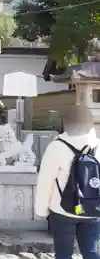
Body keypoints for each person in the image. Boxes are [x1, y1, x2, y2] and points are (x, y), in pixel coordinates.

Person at [36, 104, 100, 259]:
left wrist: (41, 210)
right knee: (91, 251)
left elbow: (45, 181)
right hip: (93, 208)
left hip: (62, 209)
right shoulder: (98, 145)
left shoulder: (56, 147)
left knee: (63, 253)